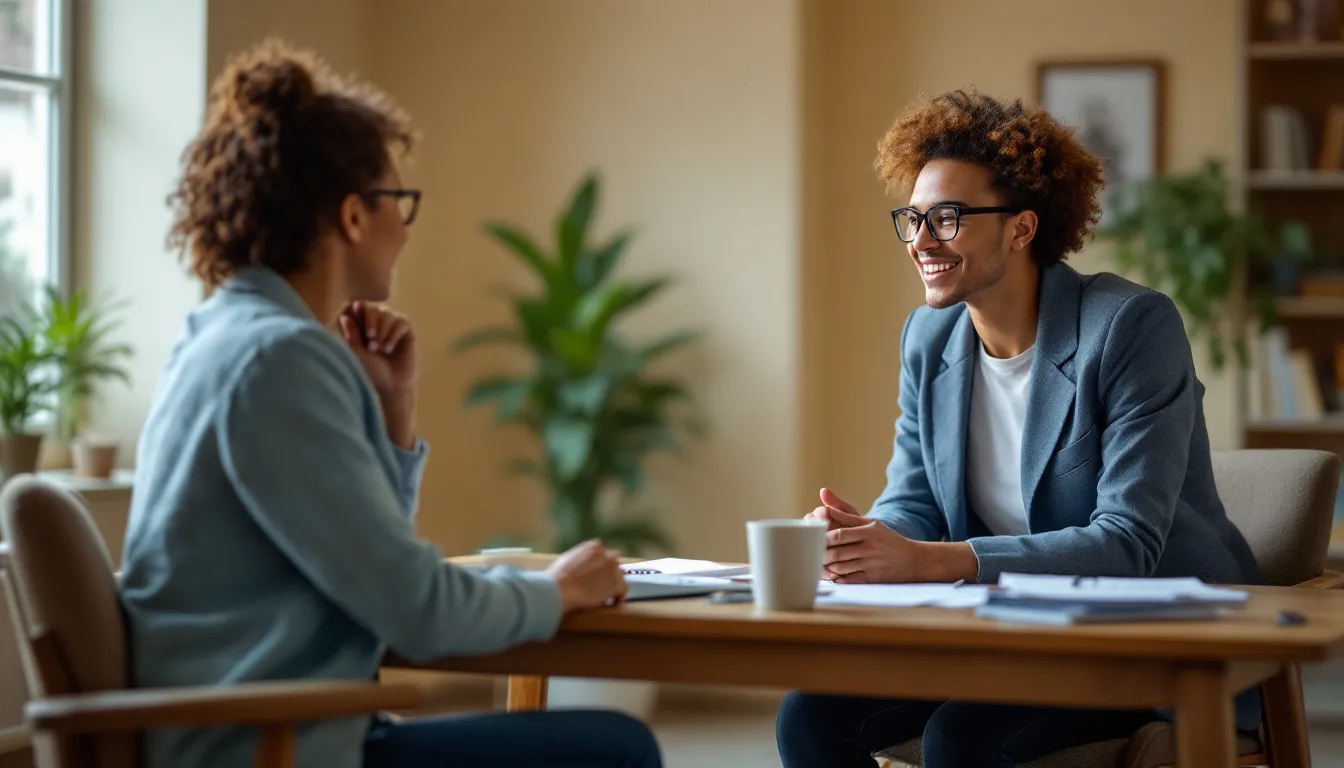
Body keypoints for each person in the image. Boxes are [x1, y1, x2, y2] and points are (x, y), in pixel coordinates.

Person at [119, 40, 662, 768]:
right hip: (270, 745)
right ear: (351, 216)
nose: (406, 229)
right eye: (398, 202)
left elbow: (366, 566)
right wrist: (557, 589)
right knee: (616, 750)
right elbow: (416, 610)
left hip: (256, 731)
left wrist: (391, 413)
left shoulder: (227, 334)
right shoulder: (278, 359)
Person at [775, 89, 1263, 767]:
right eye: (912, 219)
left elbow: (1126, 544)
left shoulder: (1129, 328)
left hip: (1146, 644)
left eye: (946, 218)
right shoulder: (929, 335)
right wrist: (866, 542)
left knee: (961, 739)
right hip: (1008, 638)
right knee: (809, 717)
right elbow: (915, 501)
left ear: (1021, 229)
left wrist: (930, 562)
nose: (921, 241)